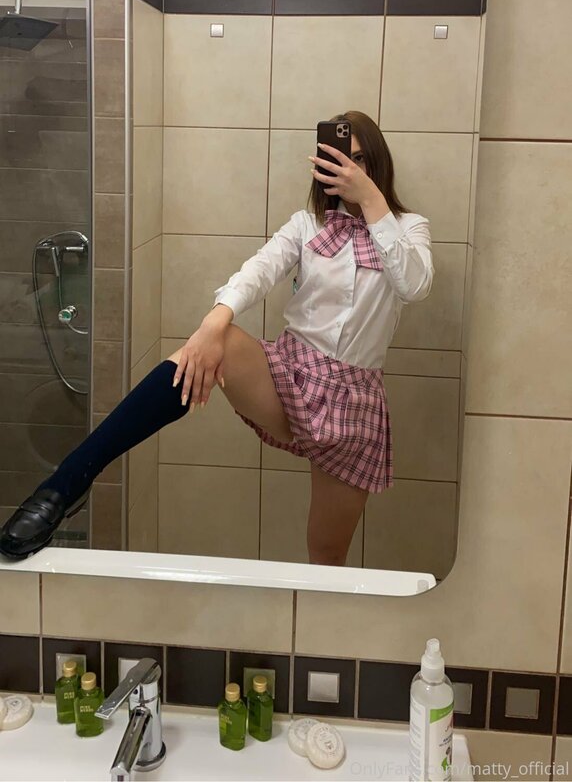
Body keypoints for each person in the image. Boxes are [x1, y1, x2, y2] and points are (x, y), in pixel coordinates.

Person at [0, 111, 433, 565]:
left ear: (378, 161)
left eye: (359, 159)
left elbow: (414, 285)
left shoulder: (409, 229)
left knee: (327, 554)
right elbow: (259, 270)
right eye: (340, 157)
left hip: (354, 404)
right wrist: (213, 323)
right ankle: (66, 484)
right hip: (291, 376)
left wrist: (371, 201)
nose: (349, 168)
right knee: (216, 343)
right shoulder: (307, 225)